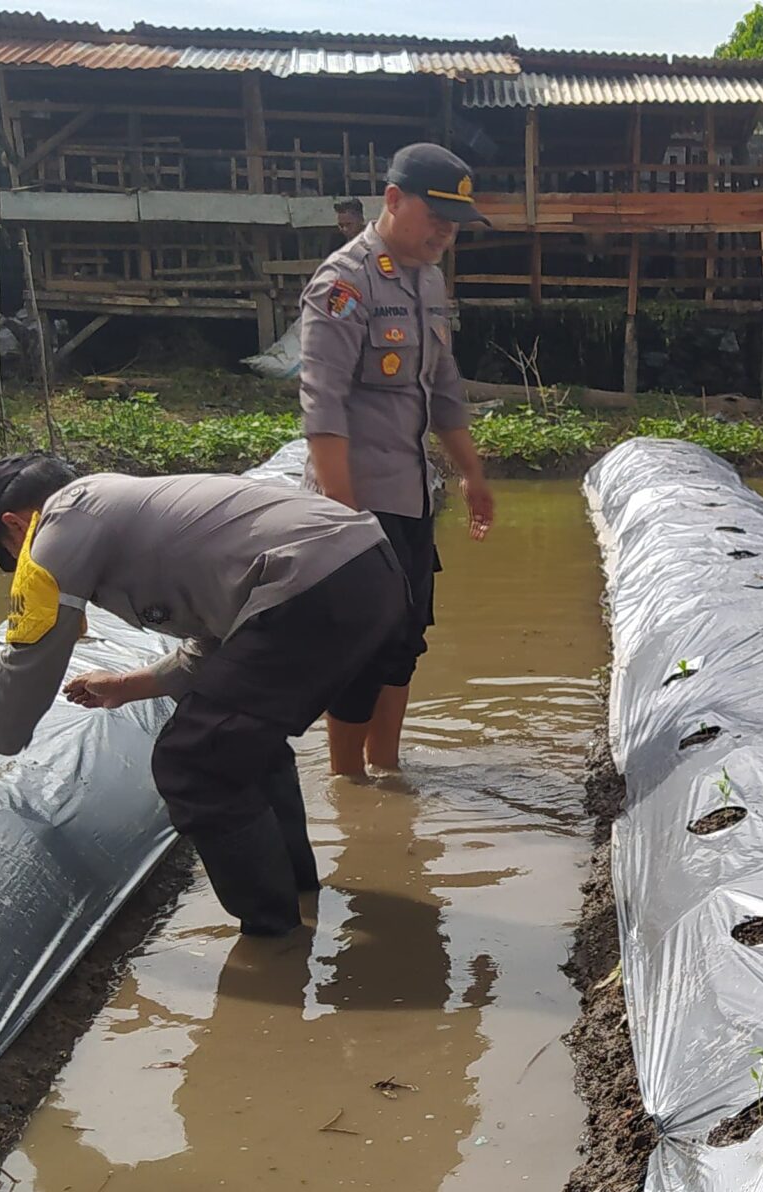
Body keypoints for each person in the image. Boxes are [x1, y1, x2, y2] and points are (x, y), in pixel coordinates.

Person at [0, 454, 408, 938]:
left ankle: (273, 936)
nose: (25, 563)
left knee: (194, 760)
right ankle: (296, 894)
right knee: (244, 742)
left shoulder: (60, 524)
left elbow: (30, 647)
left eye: (14, 556)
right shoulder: (120, 508)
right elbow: (227, 634)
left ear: (15, 525)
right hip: (371, 568)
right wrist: (130, 686)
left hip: (314, 581)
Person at [299, 142, 497, 778]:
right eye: (435, 214)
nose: (446, 231)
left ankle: (386, 770)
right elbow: (323, 406)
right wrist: (342, 519)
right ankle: (347, 782)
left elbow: (442, 386)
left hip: (410, 497)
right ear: (392, 199)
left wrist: (471, 472)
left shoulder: (427, 280)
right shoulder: (343, 284)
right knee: (359, 645)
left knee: (405, 640)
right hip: (355, 501)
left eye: (455, 221)